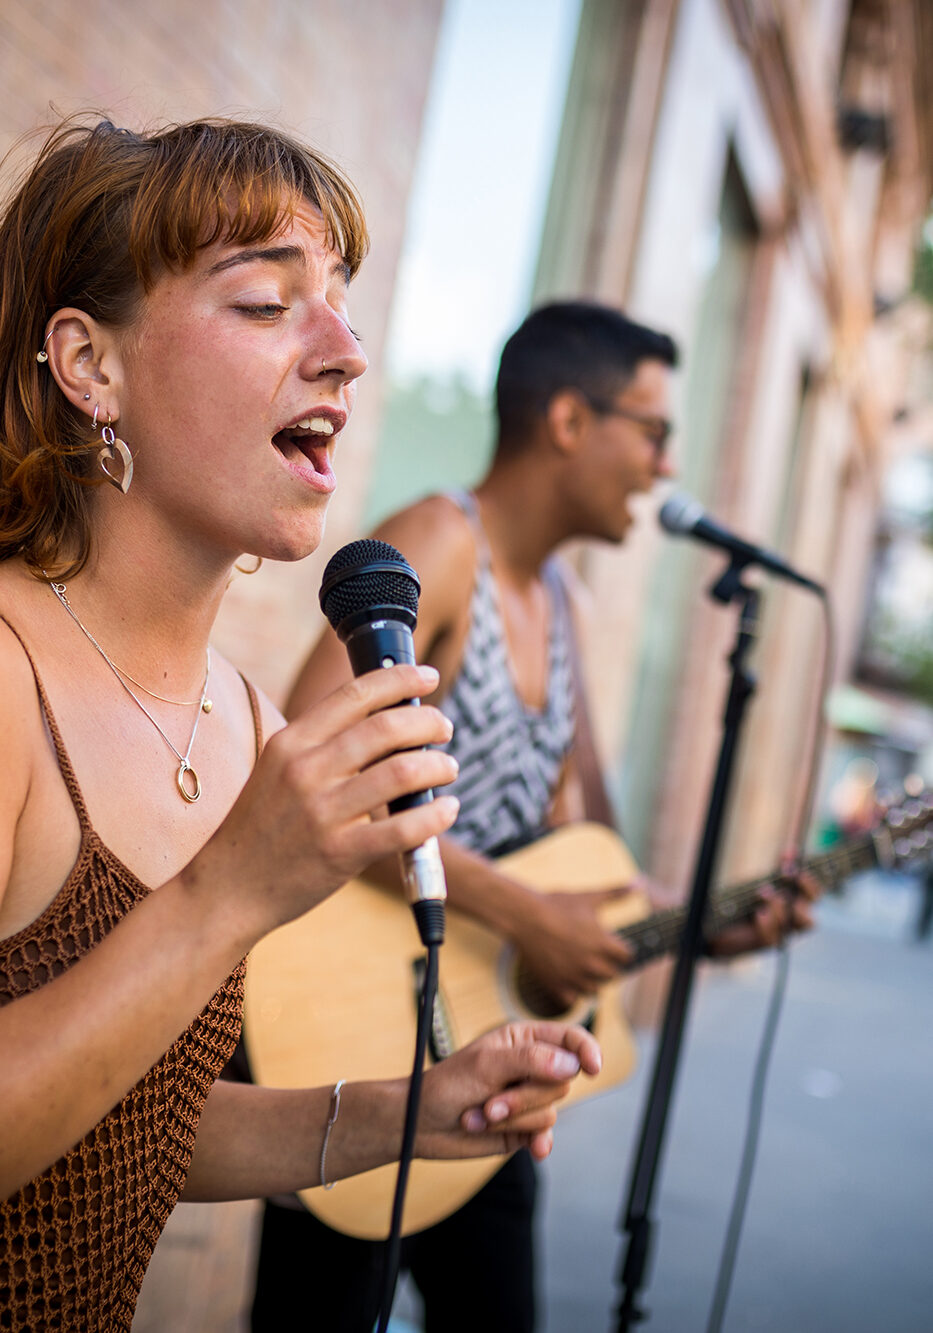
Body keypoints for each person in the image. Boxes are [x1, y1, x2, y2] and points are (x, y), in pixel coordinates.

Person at [0, 118, 604, 1331]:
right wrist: (227, 892)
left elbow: (132, 1119)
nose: (343, 353)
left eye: (341, 308)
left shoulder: (248, 721)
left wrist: (412, 1111)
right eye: (269, 304)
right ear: (90, 364)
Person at [277, 301, 819, 1332]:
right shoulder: (438, 541)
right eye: (654, 432)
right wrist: (524, 915)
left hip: (489, 1052)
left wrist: (711, 921)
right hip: (352, 1040)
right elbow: (304, 780)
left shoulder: (562, 601)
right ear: (570, 420)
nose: (666, 466)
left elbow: (595, 864)